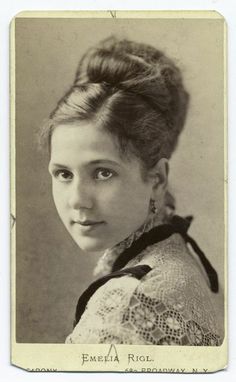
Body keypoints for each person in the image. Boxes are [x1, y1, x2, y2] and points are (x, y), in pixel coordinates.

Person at [40, 36, 223, 345]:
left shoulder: (123, 309)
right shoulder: (173, 251)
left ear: (157, 179)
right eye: (63, 174)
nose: (77, 200)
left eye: (102, 172)